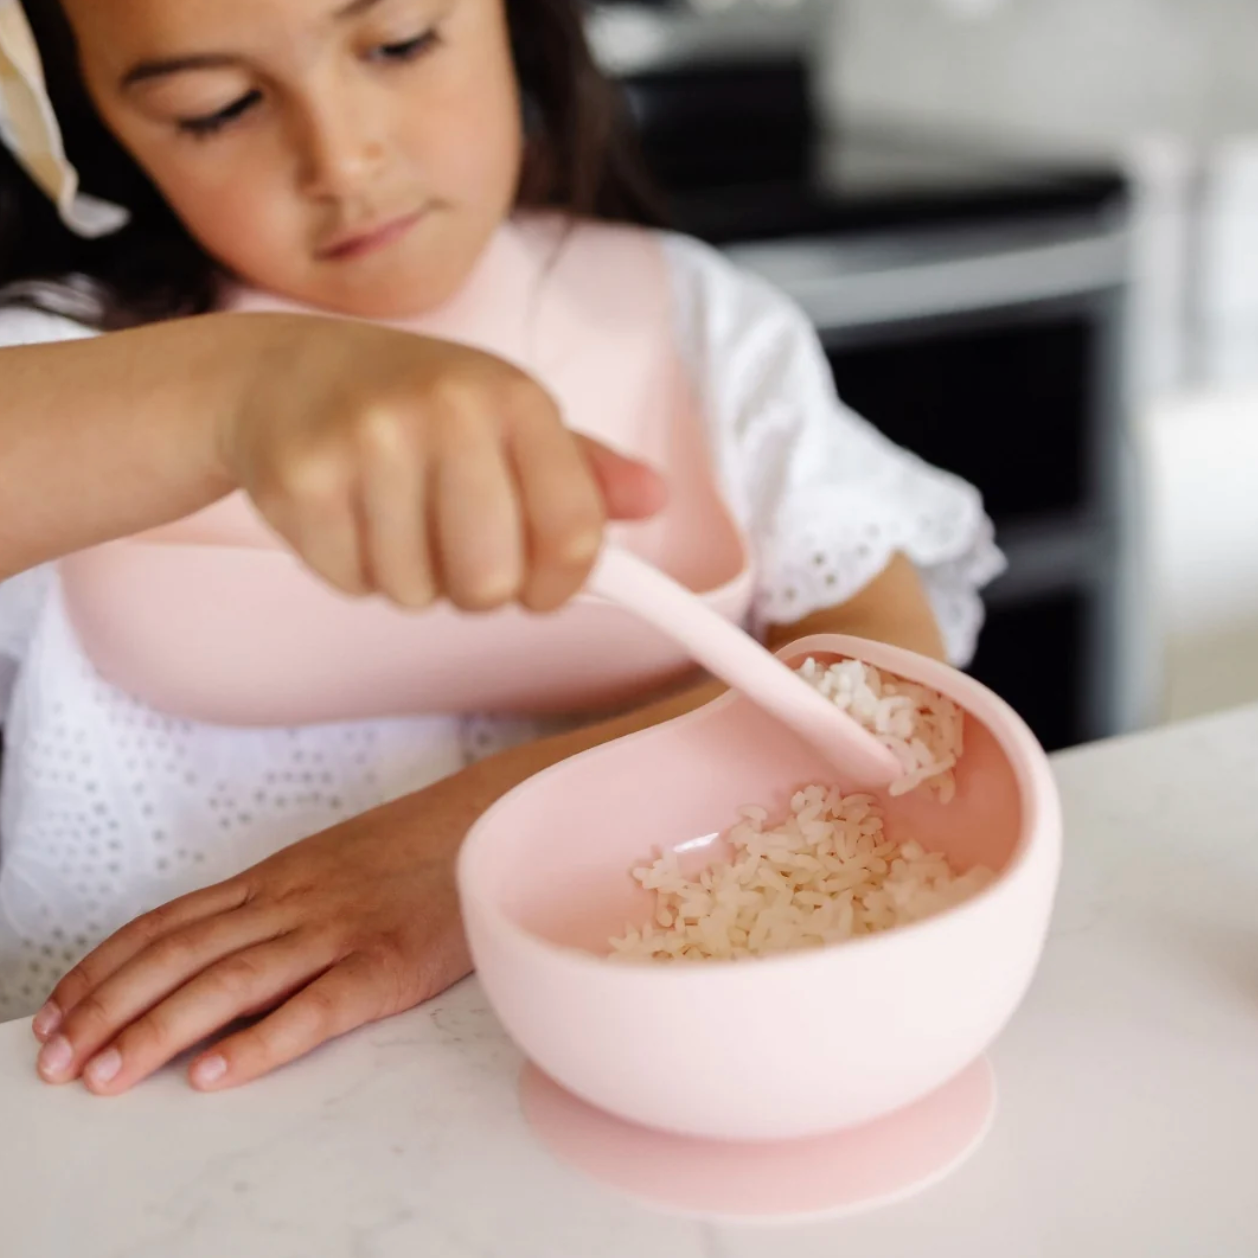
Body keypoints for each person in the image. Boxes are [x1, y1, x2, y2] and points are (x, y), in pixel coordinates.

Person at [0, 0, 1003, 1095]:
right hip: (166, 1096)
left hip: (646, 1079)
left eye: (397, 44)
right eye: (217, 107)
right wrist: (233, 390)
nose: (344, 159)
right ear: (84, 121)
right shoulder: (63, 359)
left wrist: (467, 852)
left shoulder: (702, 330)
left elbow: (887, 692)